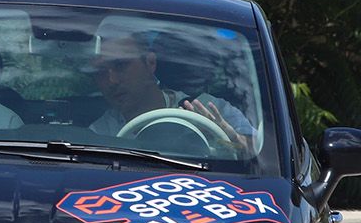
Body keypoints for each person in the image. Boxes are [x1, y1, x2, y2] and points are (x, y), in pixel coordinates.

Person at [87, 27, 256, 150]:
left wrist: (229, 139)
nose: (112, 80)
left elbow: (261, 154)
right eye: (100, 72)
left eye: (121, 65)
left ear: (150, 63)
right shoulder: (98, 134)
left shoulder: (209, 108)